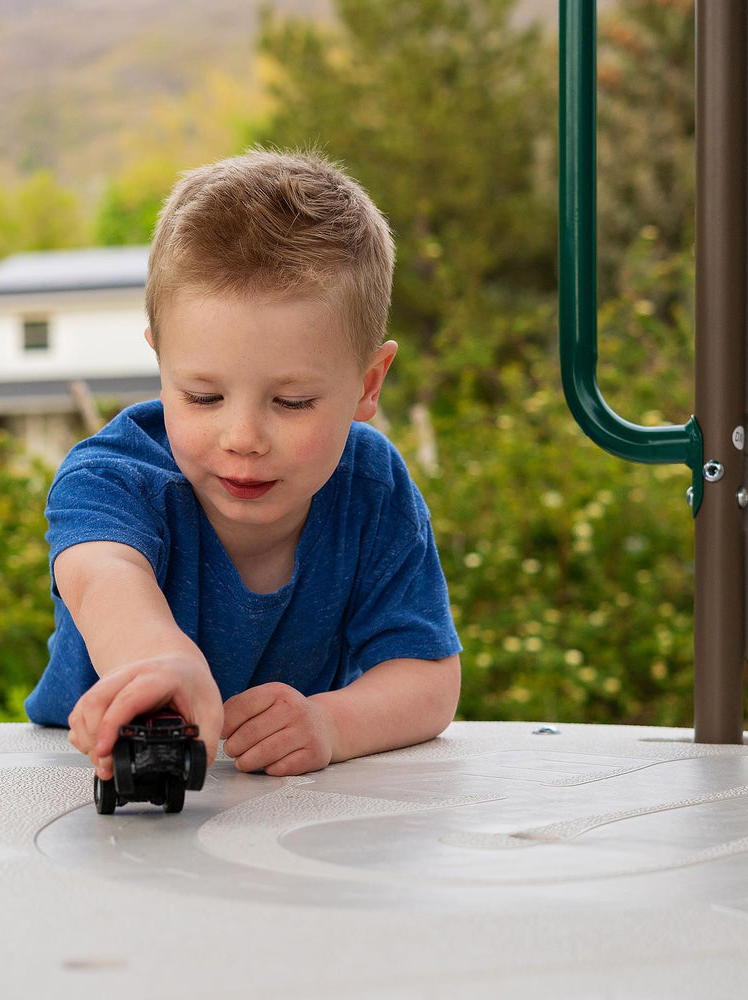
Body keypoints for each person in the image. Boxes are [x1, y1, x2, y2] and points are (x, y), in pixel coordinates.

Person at [25, 148, 461, 780]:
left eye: (292, 402)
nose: (243, 438)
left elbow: (427, 676)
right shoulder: (111, 477)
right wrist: (159, 661)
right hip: (82, 771)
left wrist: (332, 724)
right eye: (203, 397)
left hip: (288, 795)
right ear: (161, 363)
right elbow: (102, 578)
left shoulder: (374, 488)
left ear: (368, 384)